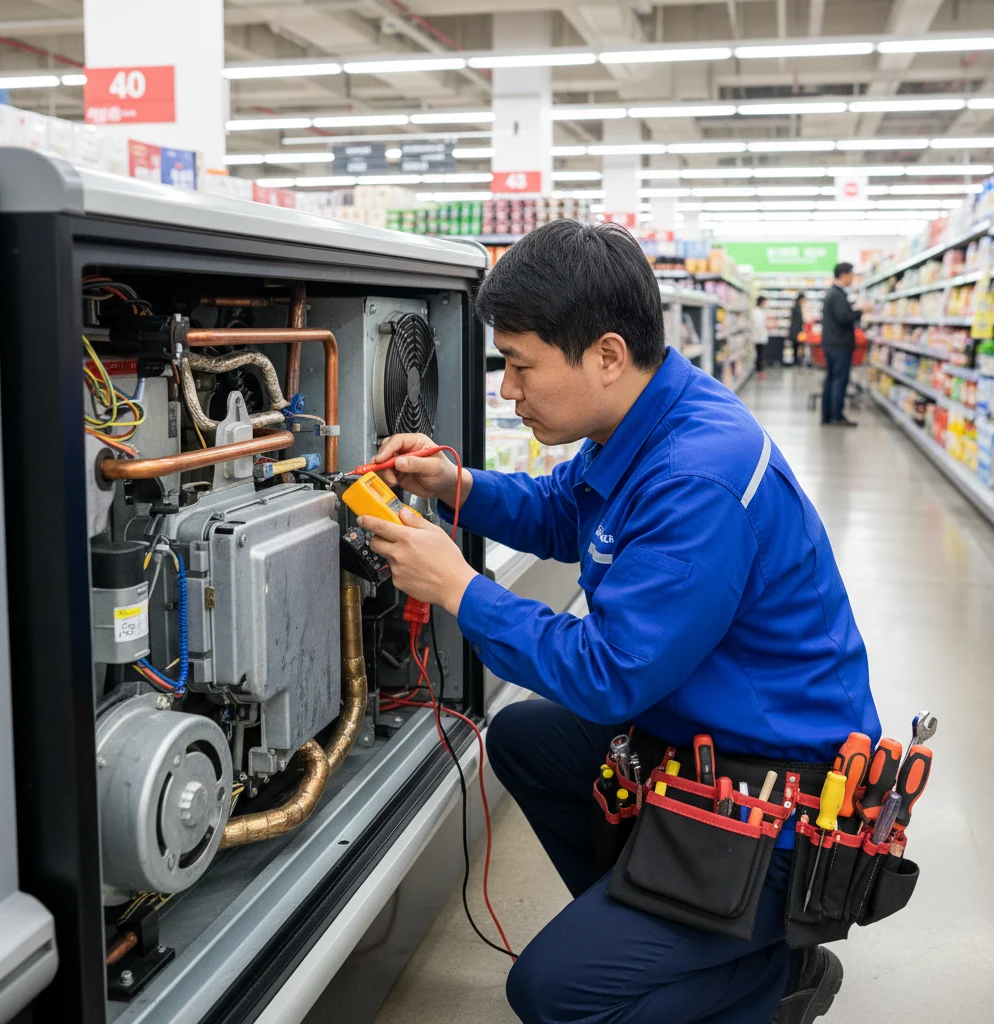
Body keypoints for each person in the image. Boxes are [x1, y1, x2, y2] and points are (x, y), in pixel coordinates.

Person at [356, 221, 878, 1024]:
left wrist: (459, 587)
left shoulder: (696, 475)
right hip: (700, 746)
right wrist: (454, 483)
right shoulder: (645, 416)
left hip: (780, 805)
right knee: (526, 739)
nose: (507, 390)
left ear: (604, 353)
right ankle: (658, 931)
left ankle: (771, 978)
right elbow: (568, 512)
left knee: (551, 993)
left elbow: (609, 674)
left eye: (521, 366)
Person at [820, 263, 862, 426]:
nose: (852, 279)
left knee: (831, 379)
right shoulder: (838, 294)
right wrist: (860, 311)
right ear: (844, 275)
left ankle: (827, 415)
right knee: (839, 380)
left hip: (832, 343)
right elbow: (844, 318)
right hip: (839, 344)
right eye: (851, 275)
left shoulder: (832, 293)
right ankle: (836, 415)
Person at [753, 294, 770, 378]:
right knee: (759, 355)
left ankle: (760, 370)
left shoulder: (760, 311)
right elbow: (759, 325)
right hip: (758, 337)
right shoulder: (756, 312)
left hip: (761, 336)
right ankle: (759, 371)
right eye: (764, 302)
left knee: (760, 354)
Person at [789, 292, 806, 365]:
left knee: (795, 347)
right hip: (797, 331)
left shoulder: (795, 307)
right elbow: (799, 321)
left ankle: (796, 360)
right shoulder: (798, 308)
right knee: (799, 346)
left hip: (794, 331)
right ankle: (797, 361)